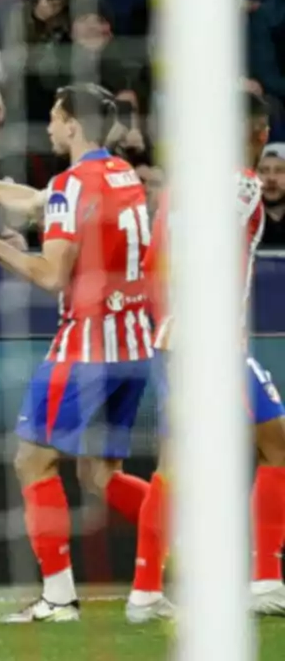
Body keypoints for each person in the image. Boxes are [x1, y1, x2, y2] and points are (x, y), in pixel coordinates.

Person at [0, 84, 155, 623]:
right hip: (134, 345)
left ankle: (58, 598)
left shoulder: (71, 185)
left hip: (85, 345)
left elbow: (50, 275)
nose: (51, 128)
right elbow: (36, 201)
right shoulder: (122, 175)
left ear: (73, 125)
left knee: (32, 459)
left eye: (56, 119)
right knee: (100, 475)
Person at [126, 92, 285, 622]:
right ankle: (154, 589)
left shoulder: (178, 186)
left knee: (272, 437)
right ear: (260, 134)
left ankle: (260, 582)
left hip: (181, 339)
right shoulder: (241, 183)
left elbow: (153, 262)